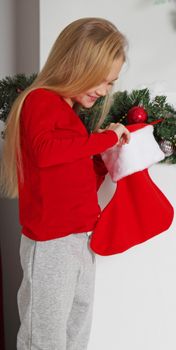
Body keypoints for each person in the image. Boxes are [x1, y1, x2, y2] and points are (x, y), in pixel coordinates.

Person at [0, 18, 130, 350]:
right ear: (75, 65)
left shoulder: (67, 114)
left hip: (80, 236)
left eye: (110, 84)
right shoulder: (40, 101)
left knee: (76, 326)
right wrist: (103, 139)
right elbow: (45, 153)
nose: (103, 91)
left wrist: (101, 160)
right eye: (100, 81)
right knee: (44, 333)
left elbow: (68, 175)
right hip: (51, 242)